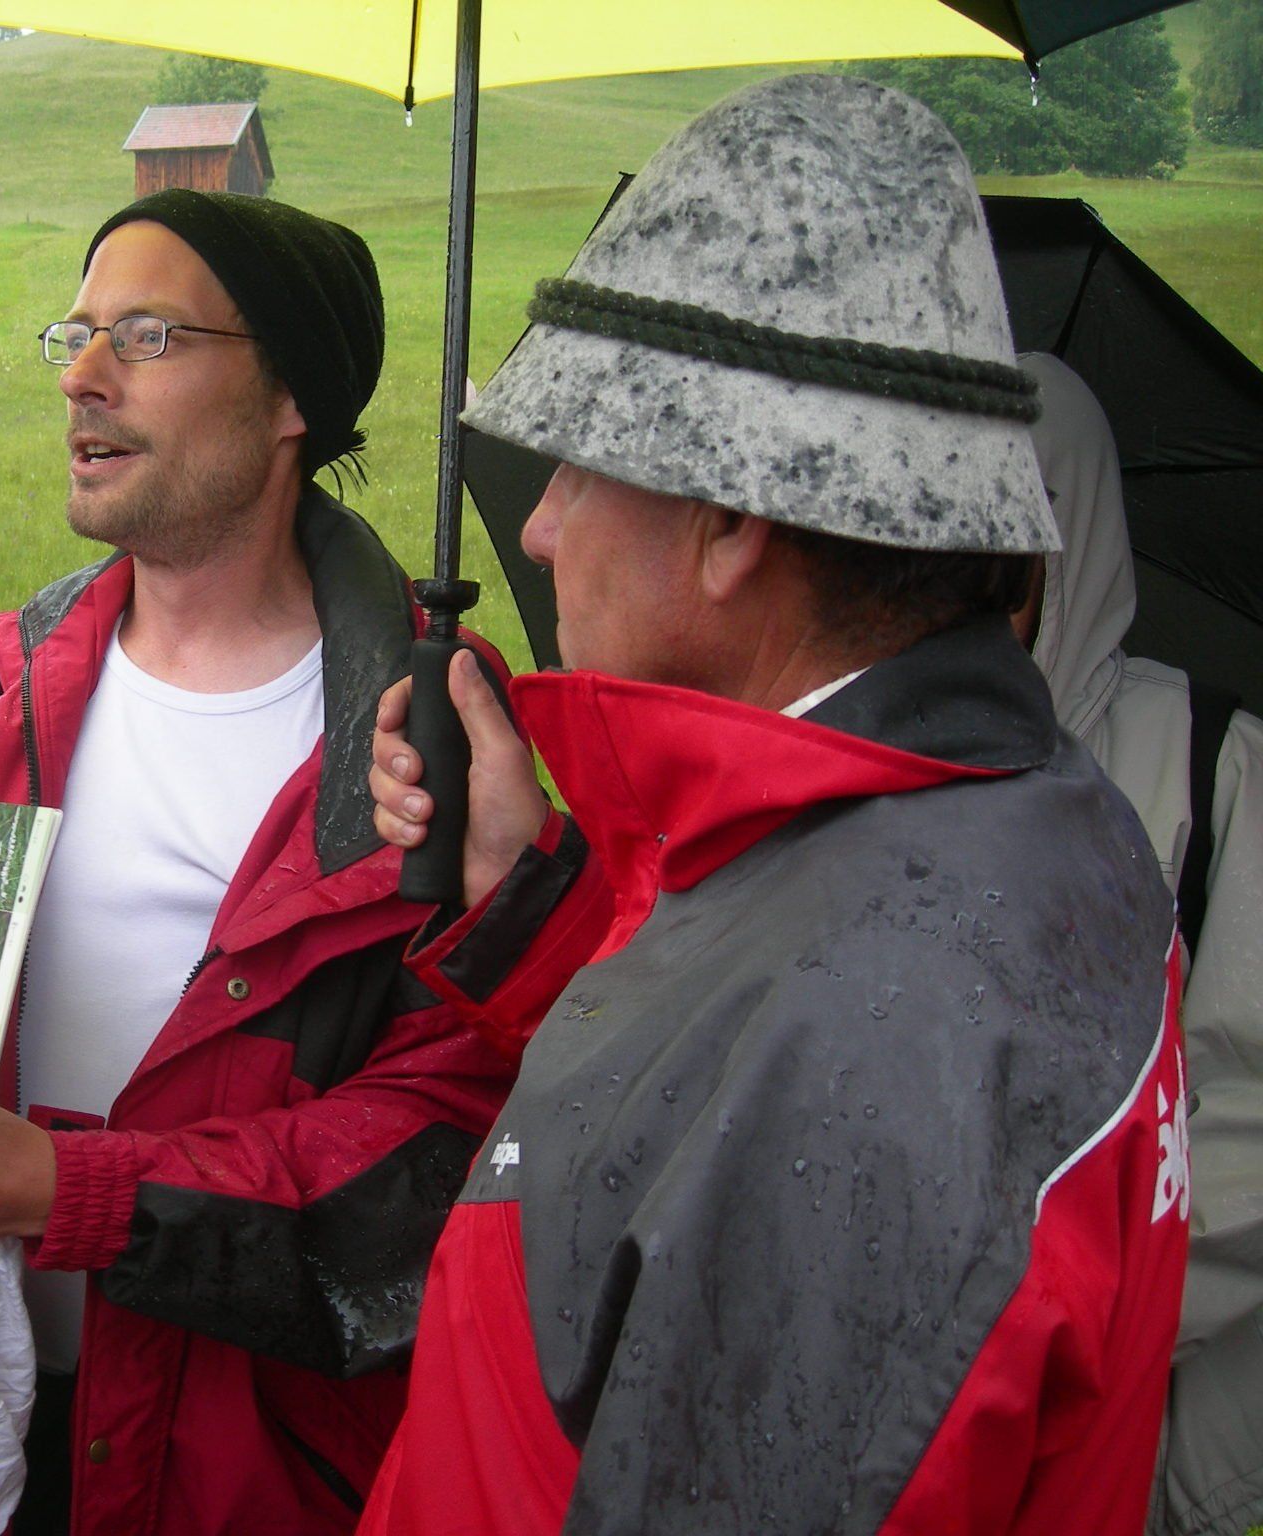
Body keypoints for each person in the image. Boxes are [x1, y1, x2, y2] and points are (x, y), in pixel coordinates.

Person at [361, 75, 1188, 1535]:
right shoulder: (989, 825)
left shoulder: (876, 1049)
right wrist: (526, 900)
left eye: (576, 467)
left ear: (732, 519)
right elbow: (697, 1102)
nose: (538, 529)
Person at [0, 189, 515, 1536]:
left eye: (145, 335)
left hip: (240, 1468)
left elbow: (428, 1171)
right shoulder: (11, 678)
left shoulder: (423, 730)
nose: (81, 376)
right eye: (75, 333)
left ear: (289, 399)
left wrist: (64, 1192)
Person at [1017, 352, 1263, 1536]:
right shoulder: (859, 769)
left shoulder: (1213, 769)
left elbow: (1248, 1128)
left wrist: (1065, 1332)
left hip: (1148, 1413)